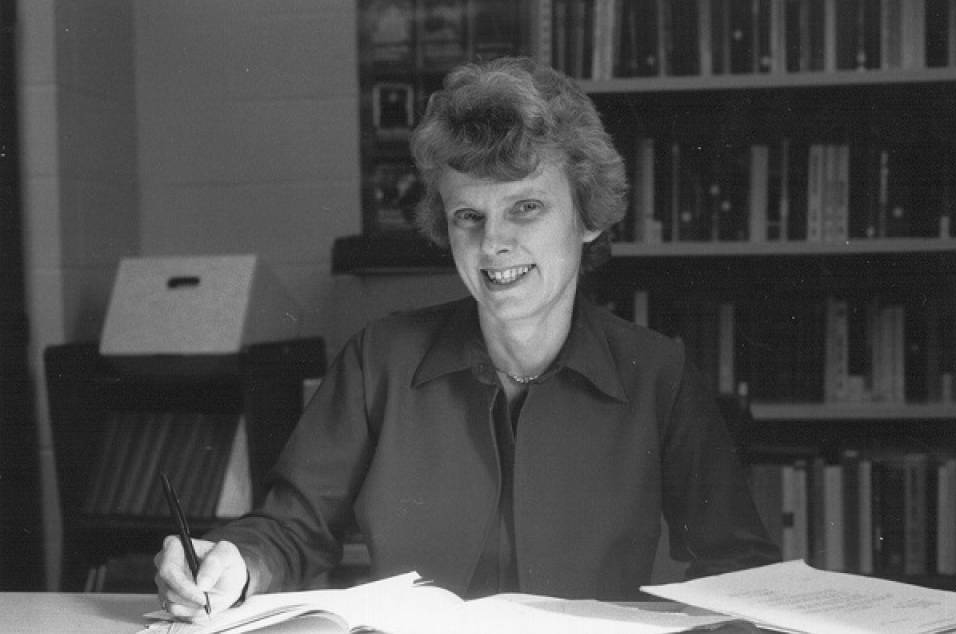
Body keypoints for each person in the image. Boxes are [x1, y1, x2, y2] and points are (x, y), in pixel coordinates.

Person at [154, 56, 780, 620]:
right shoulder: (380, 361)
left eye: (526, 208)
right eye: (468, 217)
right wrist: (234, 564)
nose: (494, 244)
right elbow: (293, 530)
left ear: (588, 218)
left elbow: (736, 566)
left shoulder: (658, 375)